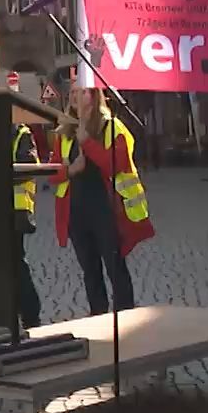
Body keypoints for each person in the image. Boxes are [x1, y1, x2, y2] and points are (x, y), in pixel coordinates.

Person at [55, 83, 153, 315]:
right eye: (72, 93)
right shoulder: (64, 132)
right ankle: (97, 317)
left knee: (115, 269)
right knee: (90, 271)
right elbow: (53, 172)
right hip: (77, 214)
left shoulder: (113, 127)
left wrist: (87, 142)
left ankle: (126, 317)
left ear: (94, 95)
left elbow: (117, 164)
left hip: (107, 210)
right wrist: (70, 171)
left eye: (82, 91)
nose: (75, 96)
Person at [11, 118, 41, 330]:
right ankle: (3, 314)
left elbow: (29, 166)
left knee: (15, 264)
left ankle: (31, 316)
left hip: (14, 211)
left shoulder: (22, 134)